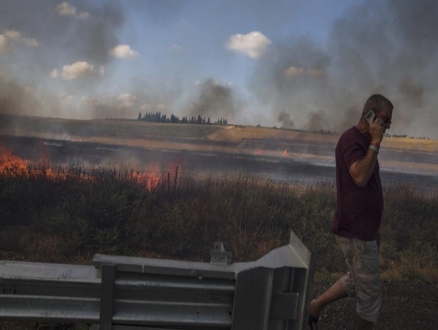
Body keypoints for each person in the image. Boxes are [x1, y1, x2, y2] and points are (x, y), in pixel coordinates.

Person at [308, 94, 393, 330]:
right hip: (355, 232)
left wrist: (374, 229)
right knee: (370, 303)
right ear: (371, 115)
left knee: (355, 282)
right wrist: (375, 143)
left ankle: (314, 307)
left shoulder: (364, 144)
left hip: (363, 231)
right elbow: (359, 176)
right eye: (385, 120)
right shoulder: (351, 140)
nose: (388, 126)